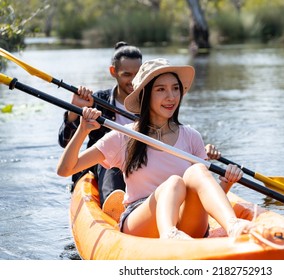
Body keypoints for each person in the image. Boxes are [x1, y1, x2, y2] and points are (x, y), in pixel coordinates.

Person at [57, 58, 251, 239]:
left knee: (198, 170)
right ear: (145, 95)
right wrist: (82, 129)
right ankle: (170, 235)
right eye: (161, 90)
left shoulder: (192, 137)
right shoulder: (123, 136)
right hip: (140, 220)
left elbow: (203, 198)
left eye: (175, 89)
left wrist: (227, 183)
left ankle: (233, 225)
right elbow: (65, 170)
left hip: (186, 221)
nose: (171, 97)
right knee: (174, 182)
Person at [58, 42, 143, 205]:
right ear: (113, 72)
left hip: (142, 161)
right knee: (110, 161)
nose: (133, 81)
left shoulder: (151, 104)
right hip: (107, 164)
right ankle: (114, 205)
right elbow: (65, 142)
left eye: (138, 74)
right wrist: (75, 110)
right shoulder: (98, 101)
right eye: (127, 74)